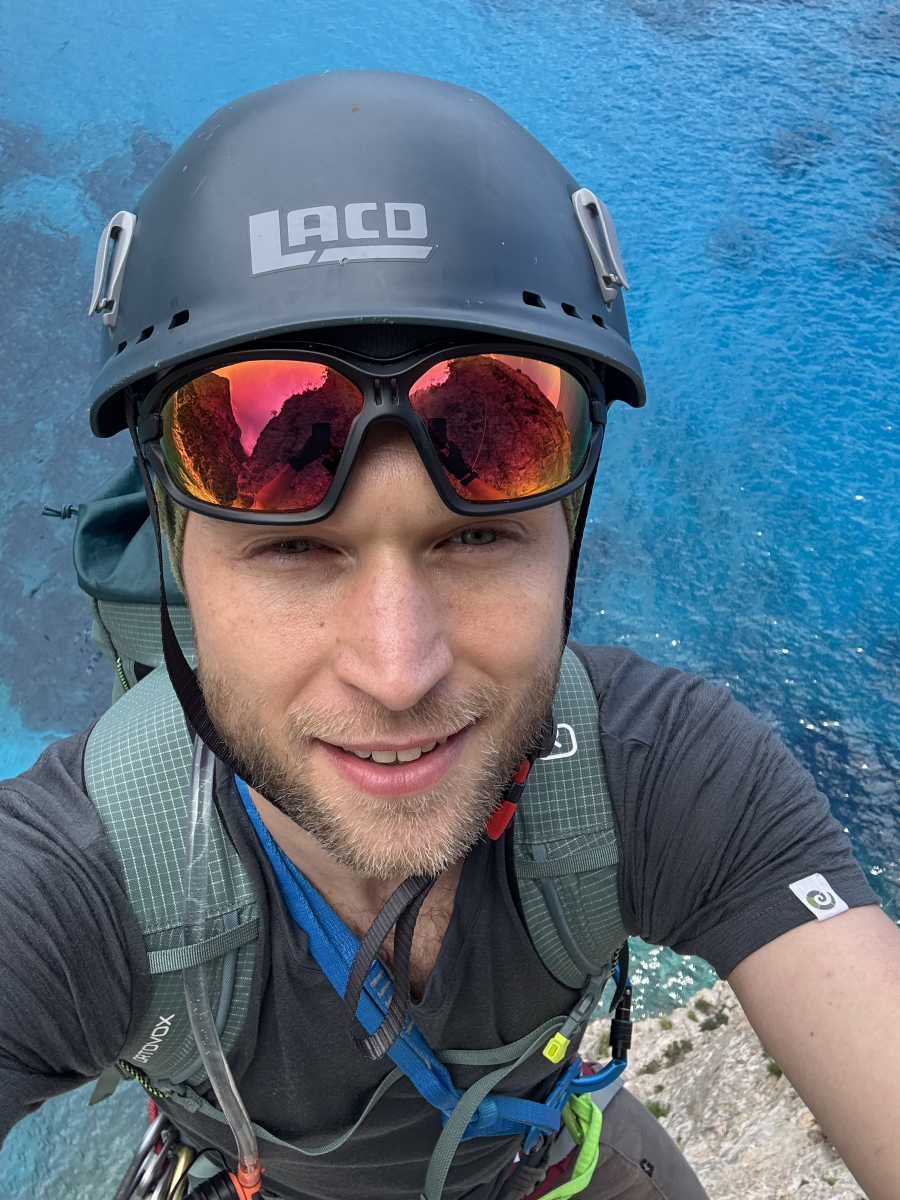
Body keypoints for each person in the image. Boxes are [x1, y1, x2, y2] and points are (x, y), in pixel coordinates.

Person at [0, 70, 898, 1200]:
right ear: (178, 551)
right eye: (295, 551)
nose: (397, 670)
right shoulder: (79, 883)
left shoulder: (662, 774)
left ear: (569, 531)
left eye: (475, 539)